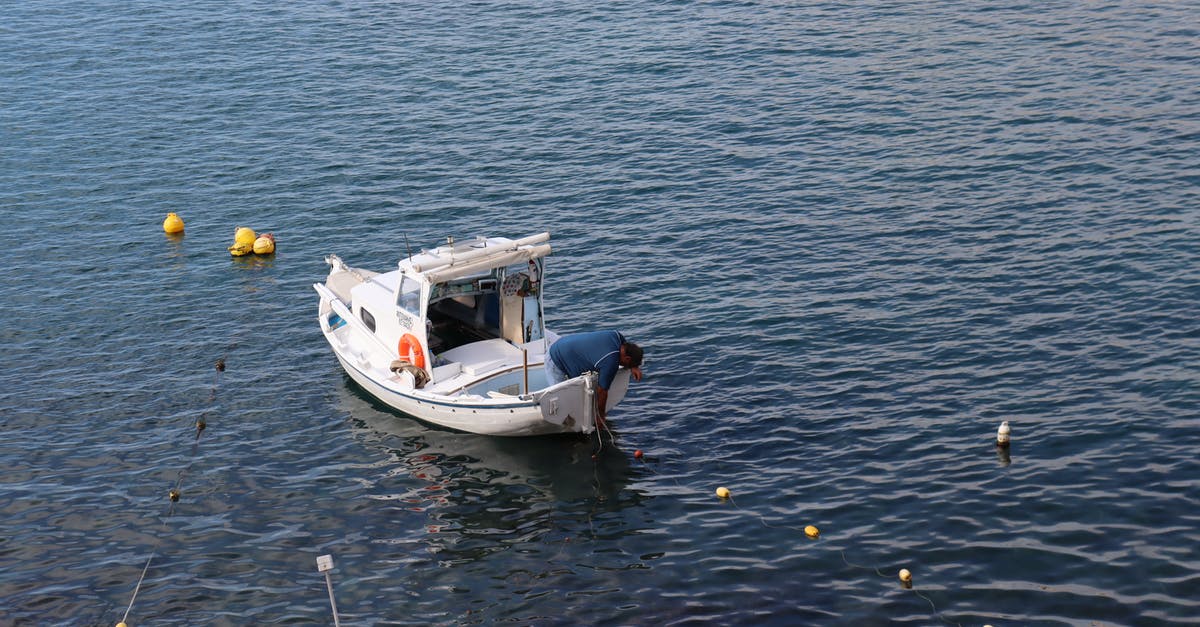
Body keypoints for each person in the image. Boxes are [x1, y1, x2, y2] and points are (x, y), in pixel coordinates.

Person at [545, 330, 643, 426]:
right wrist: (600, 416)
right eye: (629, 364)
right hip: (555, 358)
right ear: (627, 358)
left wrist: (633, 366)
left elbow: (627, 348)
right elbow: (602, 391)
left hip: (564, 345)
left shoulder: (616, 336)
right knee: (559, 400)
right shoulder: (610, 362)